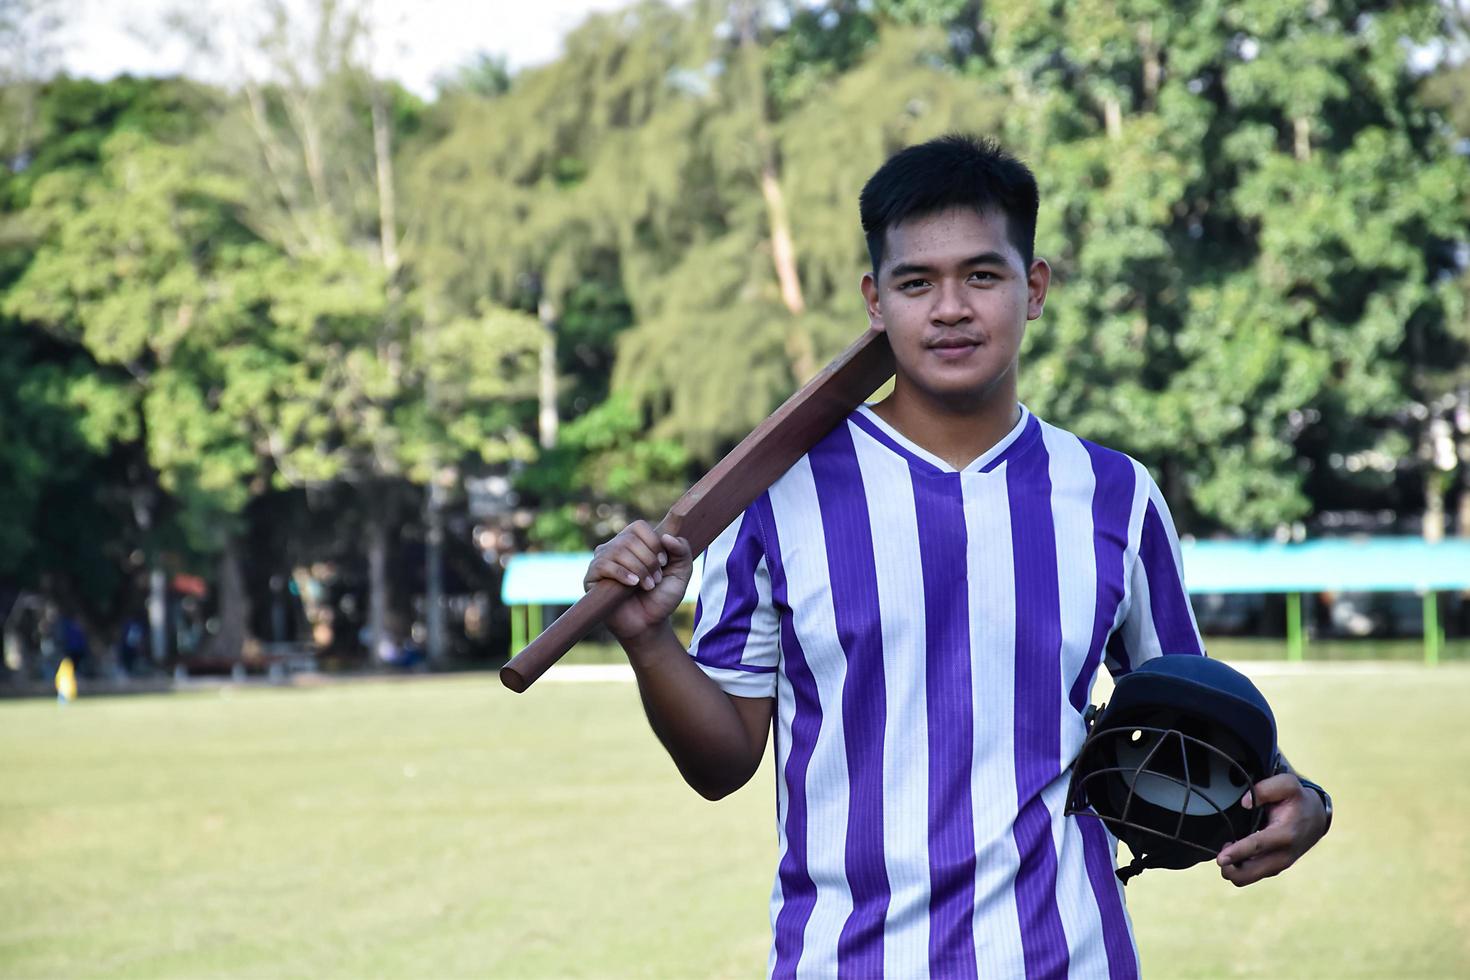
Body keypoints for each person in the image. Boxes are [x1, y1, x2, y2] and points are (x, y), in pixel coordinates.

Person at [585, 134, 1329, 978]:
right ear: (875, 301)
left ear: (1034, 286)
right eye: (915, 282)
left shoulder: (1116, 494)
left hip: (1068, 955)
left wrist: (1306, 798)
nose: (949, 308)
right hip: (846, 960)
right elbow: (722, 766)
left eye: (982, 275)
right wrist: (648, 641)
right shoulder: (775, 496)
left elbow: (1200, 721)